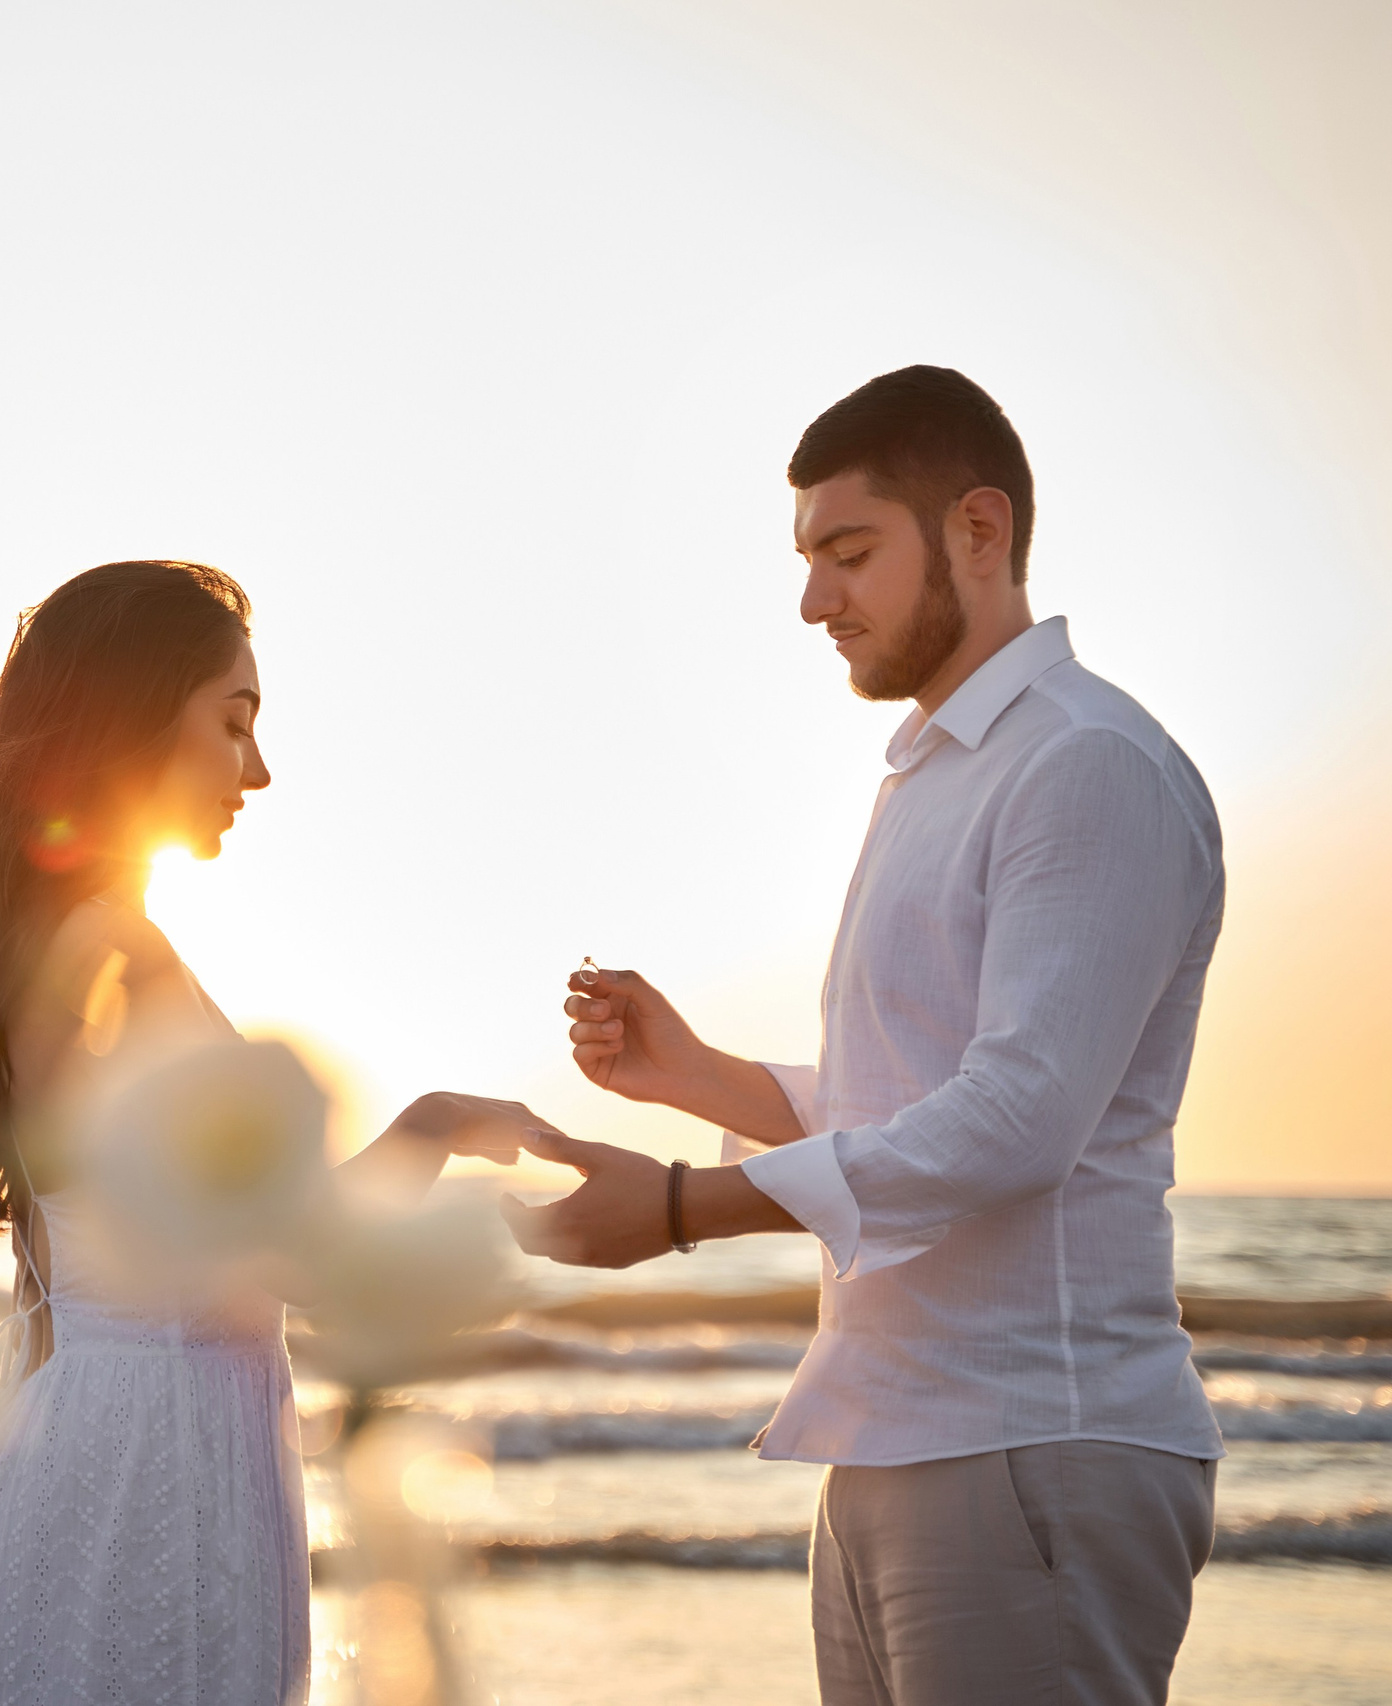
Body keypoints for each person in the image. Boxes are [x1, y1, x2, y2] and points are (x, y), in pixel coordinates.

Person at [505, 368, 1225, 1706]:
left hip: (1033, 1440)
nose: (813, 600)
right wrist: (700, 1077)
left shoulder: (1085, 762)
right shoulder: (933, 776)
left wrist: (679, 1208)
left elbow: (1018, 1118)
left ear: (978, 529)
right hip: (897, 1435)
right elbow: (917, 1098)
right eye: (807, 560)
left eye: (849, 553)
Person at [0, 560, 546, 1706]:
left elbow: (175, 1244)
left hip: (82, 1443)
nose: (256, 768)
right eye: (232, 722)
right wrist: (433, 1138)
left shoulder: (56, 942)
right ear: (134, 718)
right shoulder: (113, 956)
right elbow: (283, 1256)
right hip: (152, 1470)